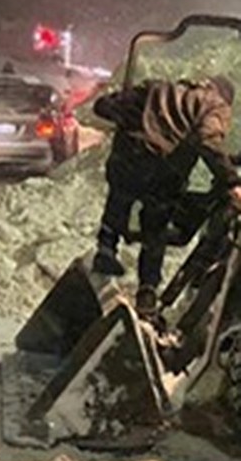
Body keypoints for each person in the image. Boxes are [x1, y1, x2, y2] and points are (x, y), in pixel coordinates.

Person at [92, 75, 241, 316]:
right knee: (155, 228)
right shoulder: (215, 105)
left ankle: (106, 247)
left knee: (120, 194)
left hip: (129, 156)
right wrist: (232, 181)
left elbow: (104, 106)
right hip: (163, 168)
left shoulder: (159, 88)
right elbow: (209, 140)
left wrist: (135, 125)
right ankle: (147, 292)